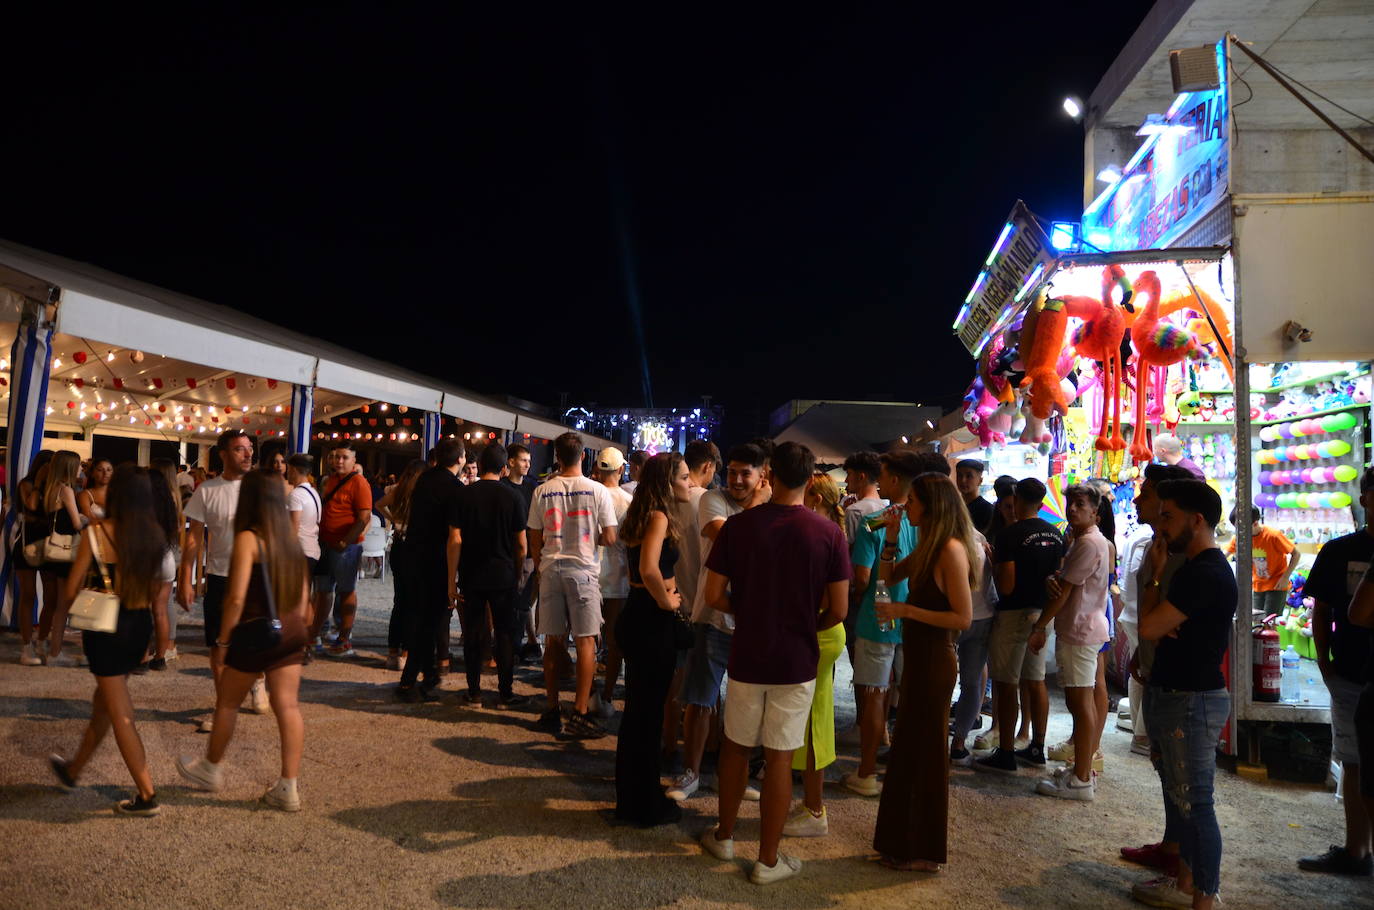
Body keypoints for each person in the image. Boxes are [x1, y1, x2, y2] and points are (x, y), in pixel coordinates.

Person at [698, 441, 849, 886]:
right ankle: (767, 859)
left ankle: (723, 835)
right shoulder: (828, 534)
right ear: (810, 479)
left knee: (737, 747)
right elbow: (838, 610)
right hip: (797, 657)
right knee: (781, 758)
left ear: (770, 475)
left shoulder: (739, 528)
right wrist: (807, 622)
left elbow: (713, 596)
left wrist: (745, 612)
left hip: (748, 652)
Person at [177, 469, 310, 812]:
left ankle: (210, 768)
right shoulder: (290, 538)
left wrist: (223, 642)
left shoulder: (251, 538)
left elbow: (235, 599)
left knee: (228, 703)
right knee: (288, 707)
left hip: (256, 630)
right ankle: (288, 787)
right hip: (291, 629)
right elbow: (303, 595)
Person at [1130, 479, 1235, 910]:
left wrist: (1155, 582)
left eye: (1169, 517)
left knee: (1196, 803)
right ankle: (1189, 886)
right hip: (1178, 691)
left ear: (1197, 520)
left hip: (1192, 698)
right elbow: (1158, 628)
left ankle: (1204, 900)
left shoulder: (1205, 571)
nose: (1162, 524)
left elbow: (1151, 626)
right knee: (1183, 797)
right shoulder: (1194, 567)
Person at [47, 465, 169, 816]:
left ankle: (146, 795)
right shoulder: (155, 536)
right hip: (138, 624)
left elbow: (69, 591)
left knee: (121, 714)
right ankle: (72, 771)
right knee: (105, 704)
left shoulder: (96, 535)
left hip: (105, 630)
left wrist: (62, 623)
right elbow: (156, 591)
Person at [871, 471, 977, 871]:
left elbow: (963, 618)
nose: (906, 506)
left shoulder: (950, 549)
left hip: (935, 659)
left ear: (931, 505)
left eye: (912, 501)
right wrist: (892, 539)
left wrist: (905, 610)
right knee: (908, 751)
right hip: (917, 656)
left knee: (927, 753)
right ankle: (903, 843)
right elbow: (886, 581)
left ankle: (925, 851)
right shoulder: (929, 545)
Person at [666, 443, 767, 802]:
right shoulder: (713, 500)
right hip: (711, 615)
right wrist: (759, 508)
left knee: (746, 704)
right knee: (700, 699)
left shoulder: (766, 508)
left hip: (752, 618)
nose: (737, 480)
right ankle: (691, 772)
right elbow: (729, 536)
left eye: (746, 474)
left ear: (761, 476)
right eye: (733, 472)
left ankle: (731, 774)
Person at [1297, 465, 1373, 876]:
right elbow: (1322, 611)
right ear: (1364, 498)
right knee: (1355, 761)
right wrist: (1325, 663)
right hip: (1349, 672)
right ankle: (1357, 850)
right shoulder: (1340, 551)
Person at [843, 450, 932, 794]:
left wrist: (860, 597)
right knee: (912, 696)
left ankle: (866, 773)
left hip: (877, 618)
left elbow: (864, 577)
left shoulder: (877, 522)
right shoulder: (930, 524)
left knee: (875, 696)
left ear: (894, 479)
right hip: (918, 619)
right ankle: (908, 768)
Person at [614, 452, 691, 826]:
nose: (689, 484)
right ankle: (642, 804)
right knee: (646, 715)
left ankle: (634, 798)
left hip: (637, 614)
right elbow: (648, 568)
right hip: (650, 617)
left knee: (638, 714)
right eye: (685, 477)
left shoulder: (642, 513)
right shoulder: (659, 516)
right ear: (667, 481)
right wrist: (667, 600)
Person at [528, 432, 619, 738]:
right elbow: (609, 536)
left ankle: (552, 707)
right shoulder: (597, 491)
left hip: (551, 567)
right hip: (583, 571)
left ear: (557, 456)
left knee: (553, 641)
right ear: (583, 456)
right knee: (586, 642)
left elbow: (534, 536)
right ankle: (580, 710)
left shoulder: (543, 490)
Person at [973, 477, 1064, 774]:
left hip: (1013, 615)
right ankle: (1037, 747)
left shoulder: (1010, 535)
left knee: (1006, 682)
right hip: (1042, 615)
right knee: (1036, 682)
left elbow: (1007, 586)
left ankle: (1007, 752)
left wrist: (994, 561)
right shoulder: (1056, 535)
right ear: (1041, 502)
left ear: (1018, 498)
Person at [1028, 484, 1112, 801]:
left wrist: (1039, 625)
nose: (1073, 509)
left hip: (1080, 630)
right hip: (1081, 628)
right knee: (1081, 701)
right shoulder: (1085, 542)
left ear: (1095, 512)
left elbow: (1064, 593)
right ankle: (1081, 770)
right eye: (1070, 504)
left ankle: (1080, 780)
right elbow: (1066, 584)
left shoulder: (1089, 543)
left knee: (1080, 703)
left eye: (1080, 504)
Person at [181, 429, 266, 731]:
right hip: (219, 576)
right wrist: (186, 578)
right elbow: (194, 538)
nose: (247, 454)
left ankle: (257, 680)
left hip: (256, 577)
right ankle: (223, 710)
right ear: (223, 454)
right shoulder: (207, 490)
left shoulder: (261, 488)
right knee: (218, 647)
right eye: (240, 449)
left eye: (249, 449)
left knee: (253, 642)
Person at [781, 472, 849, 838]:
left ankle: (814, 808)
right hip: (822, 632)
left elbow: (830, 602)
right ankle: (811, 803)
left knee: (812, 721)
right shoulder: (828, 533)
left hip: (818, 633)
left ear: (815, 499)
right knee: (812, 717)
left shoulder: (819, 535)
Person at [1117, 464, 1195, 760]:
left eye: (1145, 494)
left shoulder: (1182, 556)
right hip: (1155, 665)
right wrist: (1143, 650)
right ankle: (1143, 737)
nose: (1135, 500)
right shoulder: (1152, 544)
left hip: (1174, 679)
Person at [451, 443, 528, 706]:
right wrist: (517, 573)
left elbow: (455, 538)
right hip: (503, 573)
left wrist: (452, 577)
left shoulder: (464, 495)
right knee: (504, 633)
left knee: (473, 632)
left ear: (480, 466)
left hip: (472, 573)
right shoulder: (513, 497)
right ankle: (505, 692)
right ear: (505, 468)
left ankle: (474, 691)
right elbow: (521, 545)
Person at [396, 439, 465, 702]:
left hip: (412, 556)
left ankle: (427, 674)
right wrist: (452, 579)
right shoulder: (456, 489)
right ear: (460, 459)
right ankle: (411, 680)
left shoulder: (423, 480)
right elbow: (454, 536)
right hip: (436, 560)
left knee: (419, 618)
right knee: (430, 623)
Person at [309, 445, 372, 657]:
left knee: (346, 590)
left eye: (344, 457)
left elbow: (364, 517)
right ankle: (316, 634)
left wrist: (346, 542)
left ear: (354, 460)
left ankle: (344, 639)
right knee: (323, 591)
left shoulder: (359, 483)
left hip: (346, 548)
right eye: (335, 457)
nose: (339, 461)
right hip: (327, 545)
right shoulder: (331, 480)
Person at [593, 447, 633, 717]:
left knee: (587, 639)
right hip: (617, 575)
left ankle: (584, 693)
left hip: (589, 572)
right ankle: (607, 693)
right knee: (615, 639)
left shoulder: (590, 495)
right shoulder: (628, 502)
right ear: (621, 470)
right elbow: (630, 544)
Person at [38, 451, 88, 666]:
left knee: (60, 605)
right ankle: (56, 653)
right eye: (78, 465)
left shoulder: (51, 488)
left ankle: (55, 651)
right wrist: (89, 519)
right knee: (66, 605)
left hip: (55, 553)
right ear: (69, 467)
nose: (81, 469)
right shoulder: (66, 490)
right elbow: (76, 524)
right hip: (68, 553)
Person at [376, 460, 427, 671]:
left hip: (398, 545)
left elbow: (379, 504)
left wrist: (393, 519)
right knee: (412, 602)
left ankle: (392, 653)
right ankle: (406, 653)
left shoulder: (399, 490)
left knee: (399, 601)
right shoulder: (422, 492)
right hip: (414, 546)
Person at [13, 450, 55, 666]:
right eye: (48, 465)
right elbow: (31, 505)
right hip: (27, 544)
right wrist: (38, 483)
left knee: (51, 598)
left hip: (50, 546)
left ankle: (41, 641)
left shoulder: (57, 487)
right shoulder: (26, 484)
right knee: (28, 595)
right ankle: (26, 647)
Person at [501, 443, 540, 661]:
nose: (528, 464)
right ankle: (510, 648)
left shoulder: (532, 488)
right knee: (510, 604)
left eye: (529, 460)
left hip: (529, 554)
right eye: (524, 460)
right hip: (509, 552)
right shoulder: (503, 487)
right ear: (511, 461)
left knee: (524, 603)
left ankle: (520, 645)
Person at [1226, 505, 1300, 618]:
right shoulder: (1239, 537)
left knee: (1268, 623)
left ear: (1255, 523)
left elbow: (1296, 554)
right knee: (1257, 621)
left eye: (1242, 528)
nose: (1239, 532)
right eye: (1237, 528)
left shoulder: (1273, 536)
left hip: (1277, 585)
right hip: (1257, 585)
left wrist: (1285, 577)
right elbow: (1224, 554)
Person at [147, 459, 184, 671]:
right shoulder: (171, 504)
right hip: (168, 557)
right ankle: (160, 657)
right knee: (161, 609)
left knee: (144, 609)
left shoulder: (145, 506)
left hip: (150, 557)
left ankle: (143, 655)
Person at [842, 451, 886, 544]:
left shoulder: (854, 511)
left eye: (849, 474)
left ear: (861, 477)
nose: (846, 480)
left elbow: (849, 549)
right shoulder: (887, 507)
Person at [955, 458, 995, 533]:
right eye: (959, 475)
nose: (963, 480)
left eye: (969, 476)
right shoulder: (953, 505)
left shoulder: (987, 510)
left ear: (980, 480)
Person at [77, 459, 113, 523]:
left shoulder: (118, 493)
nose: (105, 473)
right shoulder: (85, 495)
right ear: (92, 474)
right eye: (100, 470)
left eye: (109, 470)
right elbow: (88, 518)